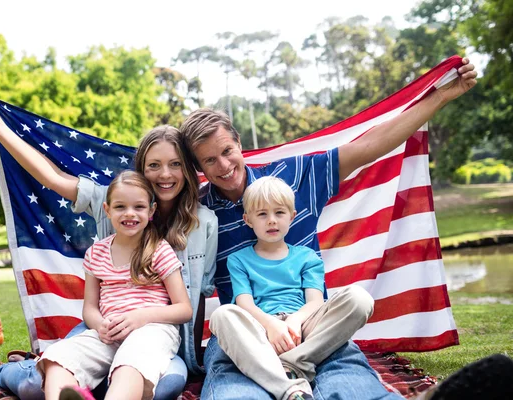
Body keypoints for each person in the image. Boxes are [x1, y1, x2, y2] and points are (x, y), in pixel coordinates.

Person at [178, 58, 511, 400]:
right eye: (209, 160)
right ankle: (286, 382)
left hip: (313, 323)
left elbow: (370, 146)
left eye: (227, 151)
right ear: (197, 167)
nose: (223, 165)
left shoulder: (295, 176)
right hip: (245, 333)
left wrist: (438, 98)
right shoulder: (198, 215)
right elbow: (142, 211)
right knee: (238, 392)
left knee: (349, 383)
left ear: (238, 143)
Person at [0, 85, 218, 399]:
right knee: (34, 386)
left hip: (156, 337)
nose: (164, 174)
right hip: (105, 329)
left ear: (188, 171)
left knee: (164, 386)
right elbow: (52, 177)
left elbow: (192, 303)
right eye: (154, 165)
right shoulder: (109, 201)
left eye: (175, 164)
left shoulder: (203, 223)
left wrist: (188, 355)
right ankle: (7, 372)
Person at [209, 176, 374, 400]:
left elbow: (315, 302)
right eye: (262, 214)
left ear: (292, 216)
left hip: (305, 326)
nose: (271, 221)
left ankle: (295, 362)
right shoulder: (238, 260)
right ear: (248, 220)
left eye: (279, 213)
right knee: (222, 315)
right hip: (261, 329)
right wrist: (271, 325)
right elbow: (244, 303)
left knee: (359, 298)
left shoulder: (306, 257)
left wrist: (295, 321)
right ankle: (289, 390)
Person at [36, 171, 192, 400]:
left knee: (131, 361)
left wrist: (140, 317)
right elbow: (89, 308)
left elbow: (184, 309)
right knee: (58, 356)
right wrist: (100, 325)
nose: (130, 213)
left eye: (139, 207)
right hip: (108, 334)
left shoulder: (159, 249)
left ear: (151, 211)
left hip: (151, 330)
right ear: (107, 210)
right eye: (120, 207)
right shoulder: (96, 253)